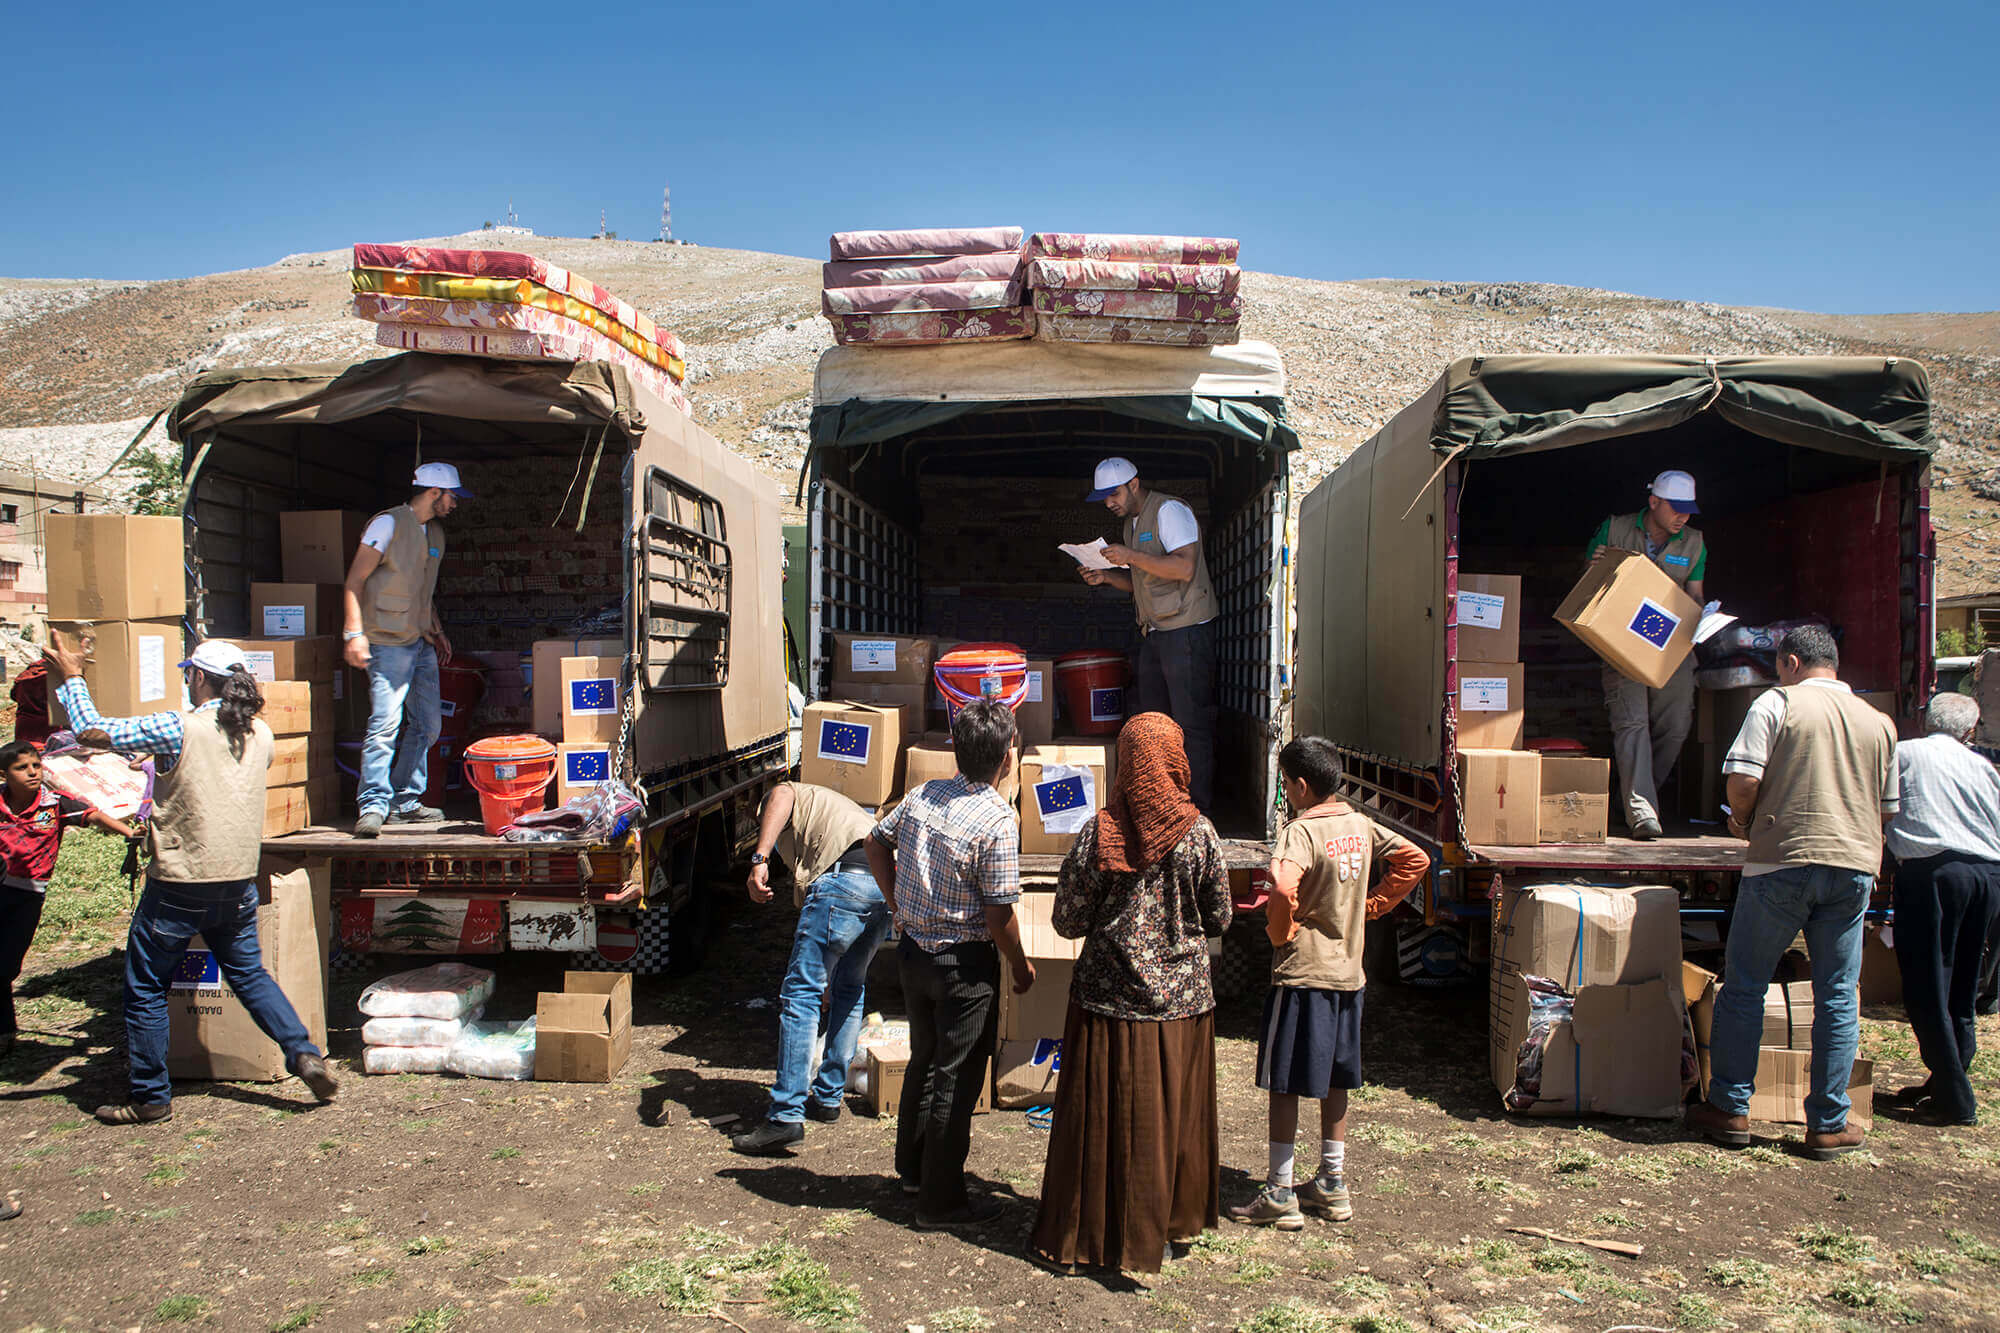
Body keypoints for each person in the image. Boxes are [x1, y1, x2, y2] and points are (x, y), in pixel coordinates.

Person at [44, 639, 339, 1125]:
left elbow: (93, 733)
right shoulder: (261, 734)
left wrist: (74, 676)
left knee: (145, 986)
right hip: (238, 879)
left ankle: (150, 1096)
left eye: (189, 674)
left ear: (199, 678)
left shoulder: (177, 725)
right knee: (247, 974)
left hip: (181, 881)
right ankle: (303, 1053)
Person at [1029, 712, 1232, 1274]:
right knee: (1169, 1116)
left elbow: (1068, 921)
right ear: (1174, 760)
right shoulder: (1201, 832)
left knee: (1105, 1119)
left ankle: (1098, 1229)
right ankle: (1169, 1224)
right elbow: (1219, 917)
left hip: (1106, 1001)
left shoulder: (1100, 832)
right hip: (1182, 1004)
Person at [1686, 625, 1897, 1158]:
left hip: (1784, 859)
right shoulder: (1879, 723)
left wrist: (1742, 821)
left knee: (1746, 986)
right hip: (1853, 866)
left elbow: (1742, 782)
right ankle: (1828, 1121)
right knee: (1836, 997)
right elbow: (1888, 809)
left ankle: (1731, 1107)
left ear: (1792, 663)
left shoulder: (1776, 703)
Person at [1229, 736, 1430, 1230]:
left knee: (1284, 1082)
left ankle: (1279, 1189)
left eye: (1285, 783)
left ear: (1300, 785)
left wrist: (1281, 932)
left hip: (1302, 974)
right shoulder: (1360, 825)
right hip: (1349, 974)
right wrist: (1373, 907)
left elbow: (1280, 886)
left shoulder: (1300, 833)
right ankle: (1332, 1183)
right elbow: (1415, 860)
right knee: (1338, 1077)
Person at [865, 699, 1034, 1230]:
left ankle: (913, 1171)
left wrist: (897, 905)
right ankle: (939, 1203)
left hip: (914, 955)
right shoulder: (998, 820)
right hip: (963, 966)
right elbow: (998, 911)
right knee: (955, 1081)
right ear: (1009, 758)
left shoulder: (922, 795)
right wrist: (1021, 966)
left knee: (925, 1060)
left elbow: (874, 842)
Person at [731, 780, 892, 1155]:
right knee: (849, 988)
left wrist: (759, 858)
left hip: (843, 881)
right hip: (881, 889)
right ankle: (828, 1097)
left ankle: (786, 1115)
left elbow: (781, 796)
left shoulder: (786, 793)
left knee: (800, 995)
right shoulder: (833, 809)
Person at [1882, 692, 2000, 1126]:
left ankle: (1955, 1098)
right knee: (1962, 986)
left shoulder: (1904, 754)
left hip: (1933, 874)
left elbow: (1882, 806)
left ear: (1924, 720)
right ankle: (1947, 1077)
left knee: (1927, 984)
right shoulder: (1984, 768)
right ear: (1970, 730)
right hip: (1987, 875)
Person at [1078, 457, 1219, 813]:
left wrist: (1131, 555)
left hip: (1186, 631)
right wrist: (1108, 576)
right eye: (1104, 498)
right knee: (1153, 723)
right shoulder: (1132, 524)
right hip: (1156, 633)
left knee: (1191, 723)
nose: (1110, 503)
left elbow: (1184, 568)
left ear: (1134, 484)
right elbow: (1145, 582)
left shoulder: (1170, 511)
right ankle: (1162, 802)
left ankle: (1196, 810)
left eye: (1114, 494)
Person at [341, 462, 470, 838]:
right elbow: (354, 581)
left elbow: (422, 590)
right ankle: (373, 805)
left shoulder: (436, 534)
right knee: (385, 724)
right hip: (385, 642)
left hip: (418, 641)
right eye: (452, 496)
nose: (455, 503)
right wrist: (354, 633)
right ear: (434, 493)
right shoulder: (388, 525)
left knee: (429, 725)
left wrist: (438, 629)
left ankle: (404, 800)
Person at [1585, 469, 1707, 839]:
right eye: (1676, 508)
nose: (1683, 517)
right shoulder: (1615, 528)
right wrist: (1595, 568)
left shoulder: (1695, 543)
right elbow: (1587, 582)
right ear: (1653, 502)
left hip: (1671, 647)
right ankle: (1642, 812)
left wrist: (1704, 615)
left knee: (1677, 725)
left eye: (1689, 510)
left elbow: (1696, 593)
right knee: (1632, 723)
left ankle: (1635, 796)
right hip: (1621, 644)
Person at [0, 739, 137, 1059]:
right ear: (4, 774)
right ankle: (5, 1031)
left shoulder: (55, 803)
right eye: (22, 768)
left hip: (27, 895)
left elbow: (94, 816)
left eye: (36, 765)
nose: (33, 773)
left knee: (5, 965)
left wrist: (130, 834)